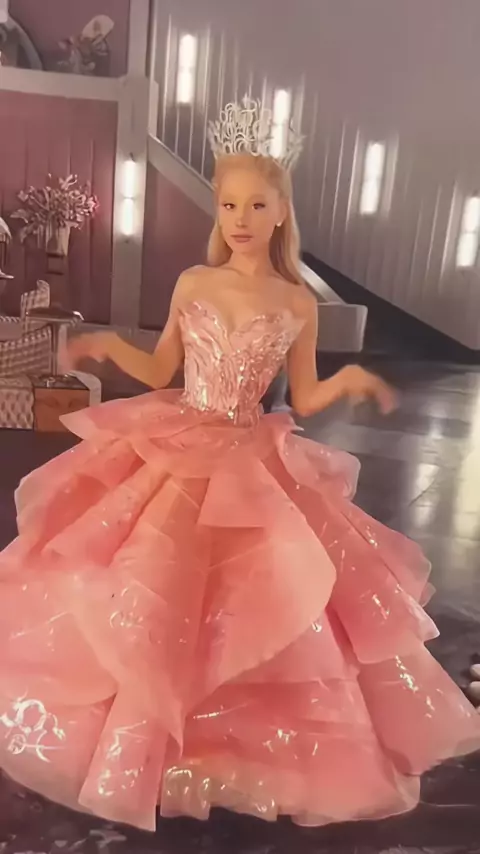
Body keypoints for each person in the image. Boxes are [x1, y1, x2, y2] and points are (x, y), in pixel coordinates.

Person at [0, 97, 478, 832]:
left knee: (256, 590)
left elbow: (306, 396)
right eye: (228, 204)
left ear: (281, 212)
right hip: (179, 438)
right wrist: (109, 345)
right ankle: (143, 732)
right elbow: (161, 368)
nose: (241, 219)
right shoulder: (194, 281)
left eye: (257, 204)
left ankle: (234, 743)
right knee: (152, 579)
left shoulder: (296, 301)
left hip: (249, 450)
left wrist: (350, 380)